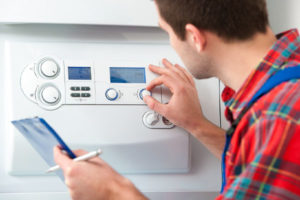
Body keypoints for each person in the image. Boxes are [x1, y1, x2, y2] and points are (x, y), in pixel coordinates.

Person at [54, 0, 300, 199]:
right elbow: (259, 161)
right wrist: (196, 123)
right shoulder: (285, 84)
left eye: (167, 31)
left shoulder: (277, 118)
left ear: (195, 37)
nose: (171, 43)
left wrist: (113, 192)